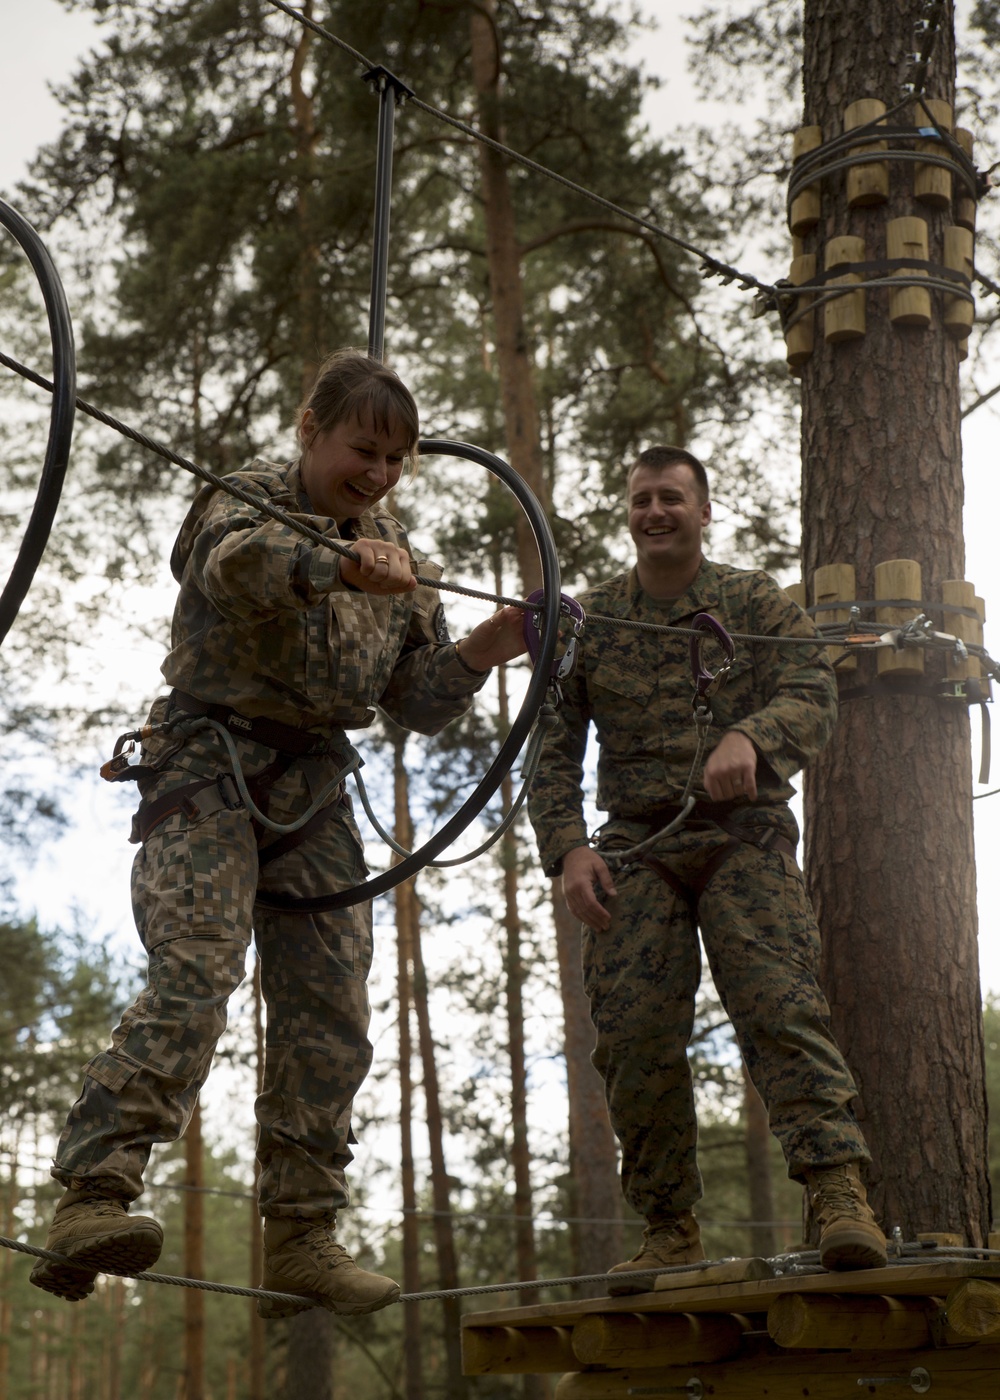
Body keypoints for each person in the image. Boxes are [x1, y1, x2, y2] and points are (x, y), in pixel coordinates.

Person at [31, 349, 526, 1316]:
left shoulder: (401, 552)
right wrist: (333, 562)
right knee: (199, 965)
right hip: (207, 762)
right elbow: (230, 569)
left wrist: (484, 645)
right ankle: (92, 1196)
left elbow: (414, 700)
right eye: (363, 450)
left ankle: (300, 1237)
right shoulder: (246, 498)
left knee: (332, 1009)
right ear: (313, 431)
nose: (378, 475)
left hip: (313, 792)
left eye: (397, 460)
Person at [527, 445, 887, 1290]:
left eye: (673, 500)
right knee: (633, 1032)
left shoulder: (751, 600)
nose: (656, 512)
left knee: (778, 1005)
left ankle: (840, 1196)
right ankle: (667, 1228)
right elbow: (550, 751)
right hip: (637, 848)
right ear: (629, 511)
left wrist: (750, 736)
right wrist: (569, 851)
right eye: (643, 498)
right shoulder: (598, 621)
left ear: (703, 511)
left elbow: (813, 690)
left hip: (742, 833)